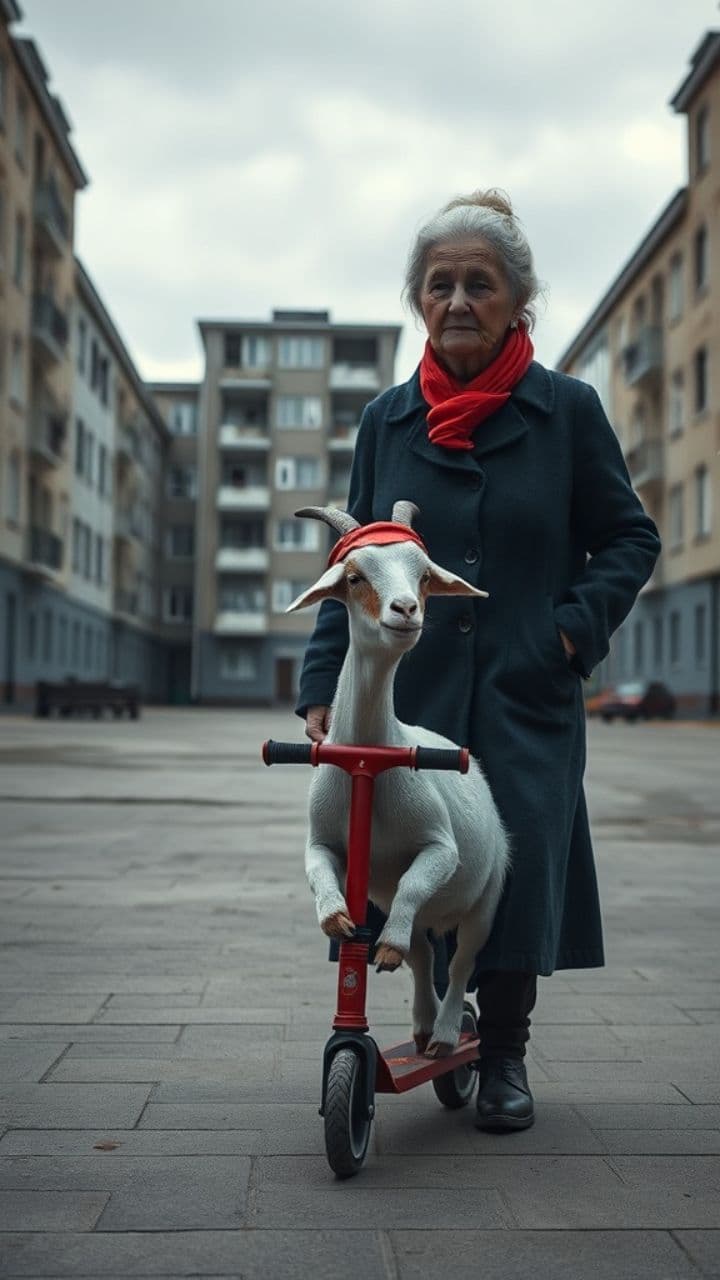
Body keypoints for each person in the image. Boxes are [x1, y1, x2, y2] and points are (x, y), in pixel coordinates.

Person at [295, 189, 661, 1131]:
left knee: (516, 861)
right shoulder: (387, 420)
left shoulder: (567, 411)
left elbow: (629, 537)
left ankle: (503, 1054)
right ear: (420, 300)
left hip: (524, 687)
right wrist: (319, 685)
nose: (459, 300)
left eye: (480, 284)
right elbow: (355, 561)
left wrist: (570, 635)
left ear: (517, 301)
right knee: (401, 862)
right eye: (440, 283)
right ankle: (416, 1023)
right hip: (404, 690)